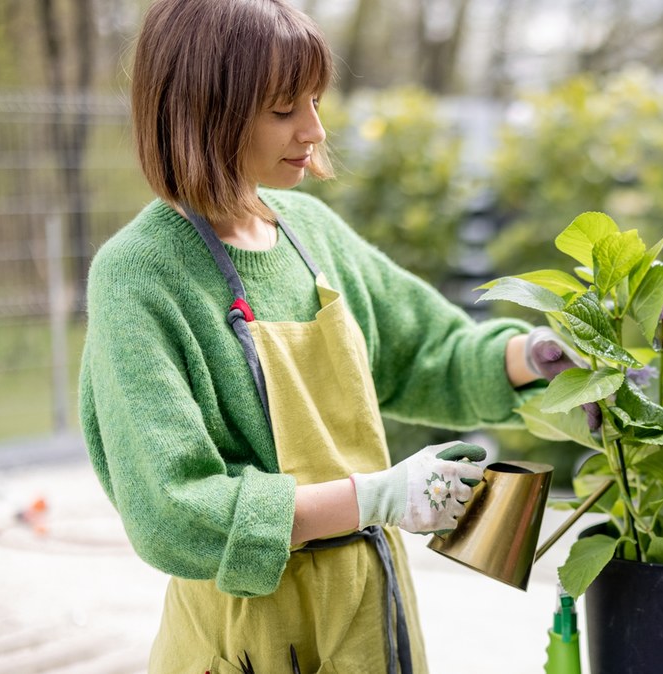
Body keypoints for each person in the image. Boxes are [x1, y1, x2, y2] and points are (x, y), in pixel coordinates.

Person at [79, 1, 583, 671]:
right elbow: (175, 513)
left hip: (369, 612)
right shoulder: (138, 277)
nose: (314, 130)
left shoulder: (309, 236)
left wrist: (532, 357)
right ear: (203, 111)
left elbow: (424, 352)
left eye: (315, 101)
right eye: (284, 109)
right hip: (252, 631)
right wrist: (376, 497)